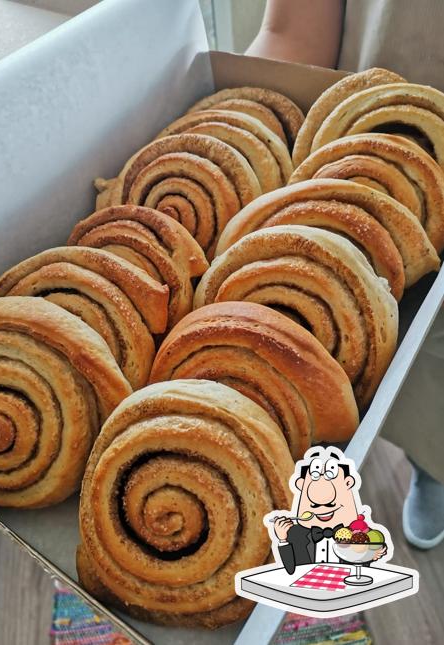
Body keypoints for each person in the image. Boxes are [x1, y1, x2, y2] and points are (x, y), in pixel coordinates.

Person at [247, 0, 444, 550]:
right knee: (403, 378)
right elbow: (291, 32)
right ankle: (430, 464)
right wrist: (239, 121)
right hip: (351, 157)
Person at [272, 448, 387, 573]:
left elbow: (359, 565)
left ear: (348, 483)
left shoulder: (357, 534)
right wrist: (282, 539)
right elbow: (290, 570)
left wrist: (372, 556)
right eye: (315, 505)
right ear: (301, 486)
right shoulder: (296, 534)